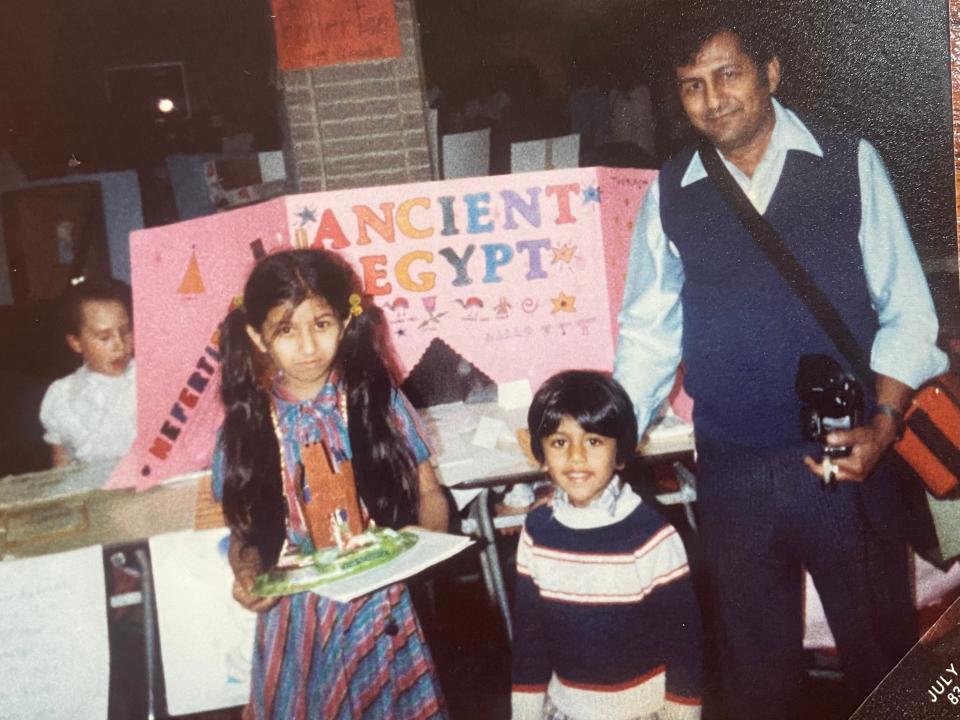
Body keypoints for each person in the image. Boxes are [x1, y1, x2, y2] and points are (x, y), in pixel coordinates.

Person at [613, 9, 949, 720]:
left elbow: (909, 312)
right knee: (756, 672)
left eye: (728, 74)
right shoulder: (670, 191)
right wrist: (608, 441)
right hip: (732, 466)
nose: (713, 98)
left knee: (881, 659)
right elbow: (647, 333)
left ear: (770, 72)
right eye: (692, 85)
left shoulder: (846, 160)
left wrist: (885, 422)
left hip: (845, 461)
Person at [214, 249, 449, 720]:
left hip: (381, 609)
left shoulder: (375, 403)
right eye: (286, 330)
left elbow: (429, 494)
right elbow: (244, 534)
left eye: (321, 324)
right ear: (257, 337)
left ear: (346, 322)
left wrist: (425, 551)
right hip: (297, 619)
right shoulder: (247, 427)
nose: (307, 347)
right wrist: (246, 573)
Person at [511, 370, 703, 720]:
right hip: (566, 709)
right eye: (559, 442)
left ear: (621, 454)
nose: (576, 457)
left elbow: (684, 643)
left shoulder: (651, 537)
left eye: (594, 441)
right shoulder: (537, 532)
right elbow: (529, 637)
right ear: (541, 453)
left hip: (644, 711)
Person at [39, 277, 136, 467]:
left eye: (125, 331)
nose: (119, 345)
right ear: (76, 342)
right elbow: (61, 466)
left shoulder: (151, 380)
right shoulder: (62, 395)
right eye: (104, 337)